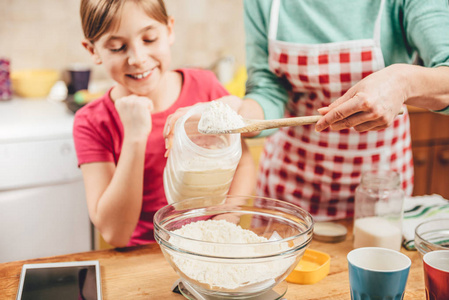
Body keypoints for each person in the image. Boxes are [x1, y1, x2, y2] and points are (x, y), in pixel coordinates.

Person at [164, 0, 449, 222]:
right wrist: (233, 114)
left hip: (377, 197)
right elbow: (268, 89)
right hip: (288, 193)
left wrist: (403, 81)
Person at [73, 0, 255, 248]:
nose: (137, 58)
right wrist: (135, 136)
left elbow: (242, 162)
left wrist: (228, 215)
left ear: (169, 30)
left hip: (208, 242)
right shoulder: (91, 122)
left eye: (148, 39)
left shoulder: (205, 87)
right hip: (141, 254)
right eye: (117, 47)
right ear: (93, 50)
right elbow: (115, 234)